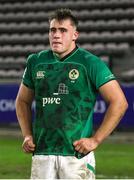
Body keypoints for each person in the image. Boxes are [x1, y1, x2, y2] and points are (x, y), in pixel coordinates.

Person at [15, 8, 128, 179]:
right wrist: (27, 135)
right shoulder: (36, 61)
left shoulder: (90, 63)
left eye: (63, 30)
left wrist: (95, 140)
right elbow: (22, 101)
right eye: (52, 30)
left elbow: (119, 102)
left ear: (75, 35)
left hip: (76, 155)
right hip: (42, 153)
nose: (56, 35)